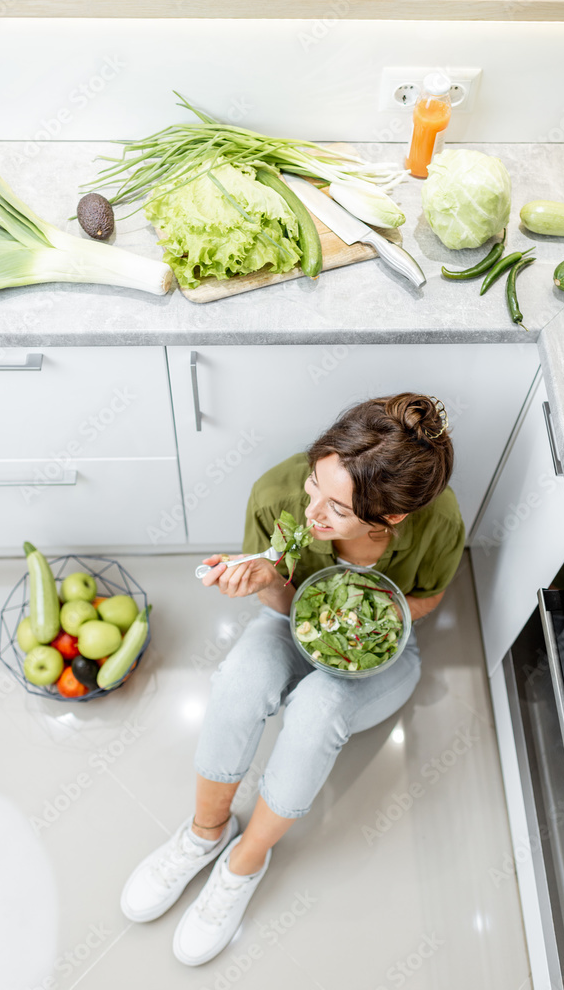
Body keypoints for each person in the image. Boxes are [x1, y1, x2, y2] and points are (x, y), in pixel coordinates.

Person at [120, 392, 465, 966]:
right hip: (292, 625)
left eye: (338, 509)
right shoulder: (276, 493)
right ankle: (205, 831)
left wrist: (365, 618)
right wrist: (264, 579)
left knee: (317, 709)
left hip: (383, 655)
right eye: (315, 484)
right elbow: (283, 605)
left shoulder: (439, 520)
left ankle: (245, 861)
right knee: (240, 680)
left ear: (392, 518)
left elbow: (426, 601)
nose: (313, 514)